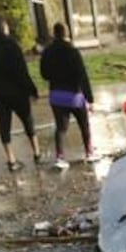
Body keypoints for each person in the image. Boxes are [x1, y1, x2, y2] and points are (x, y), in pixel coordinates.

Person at [0, 15, 39, 171]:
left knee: (4, 124)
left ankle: (11, 159)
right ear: (4, 27)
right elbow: (21, 71)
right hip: (16, 91)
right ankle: (37, 152)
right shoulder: (11, 45)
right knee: (27, 120)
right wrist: (32, 90)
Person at [39, 22, 94, 168]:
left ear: (54, 34)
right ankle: (89, 153)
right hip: (74, 95)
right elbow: (82, 75)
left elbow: (44, 74)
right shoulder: (73, 51)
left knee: (61, 128)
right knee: (84, 124)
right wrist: (89, 98)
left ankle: (59, 157)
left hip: (56, 95)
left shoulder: (47, 52)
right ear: (67, 33)